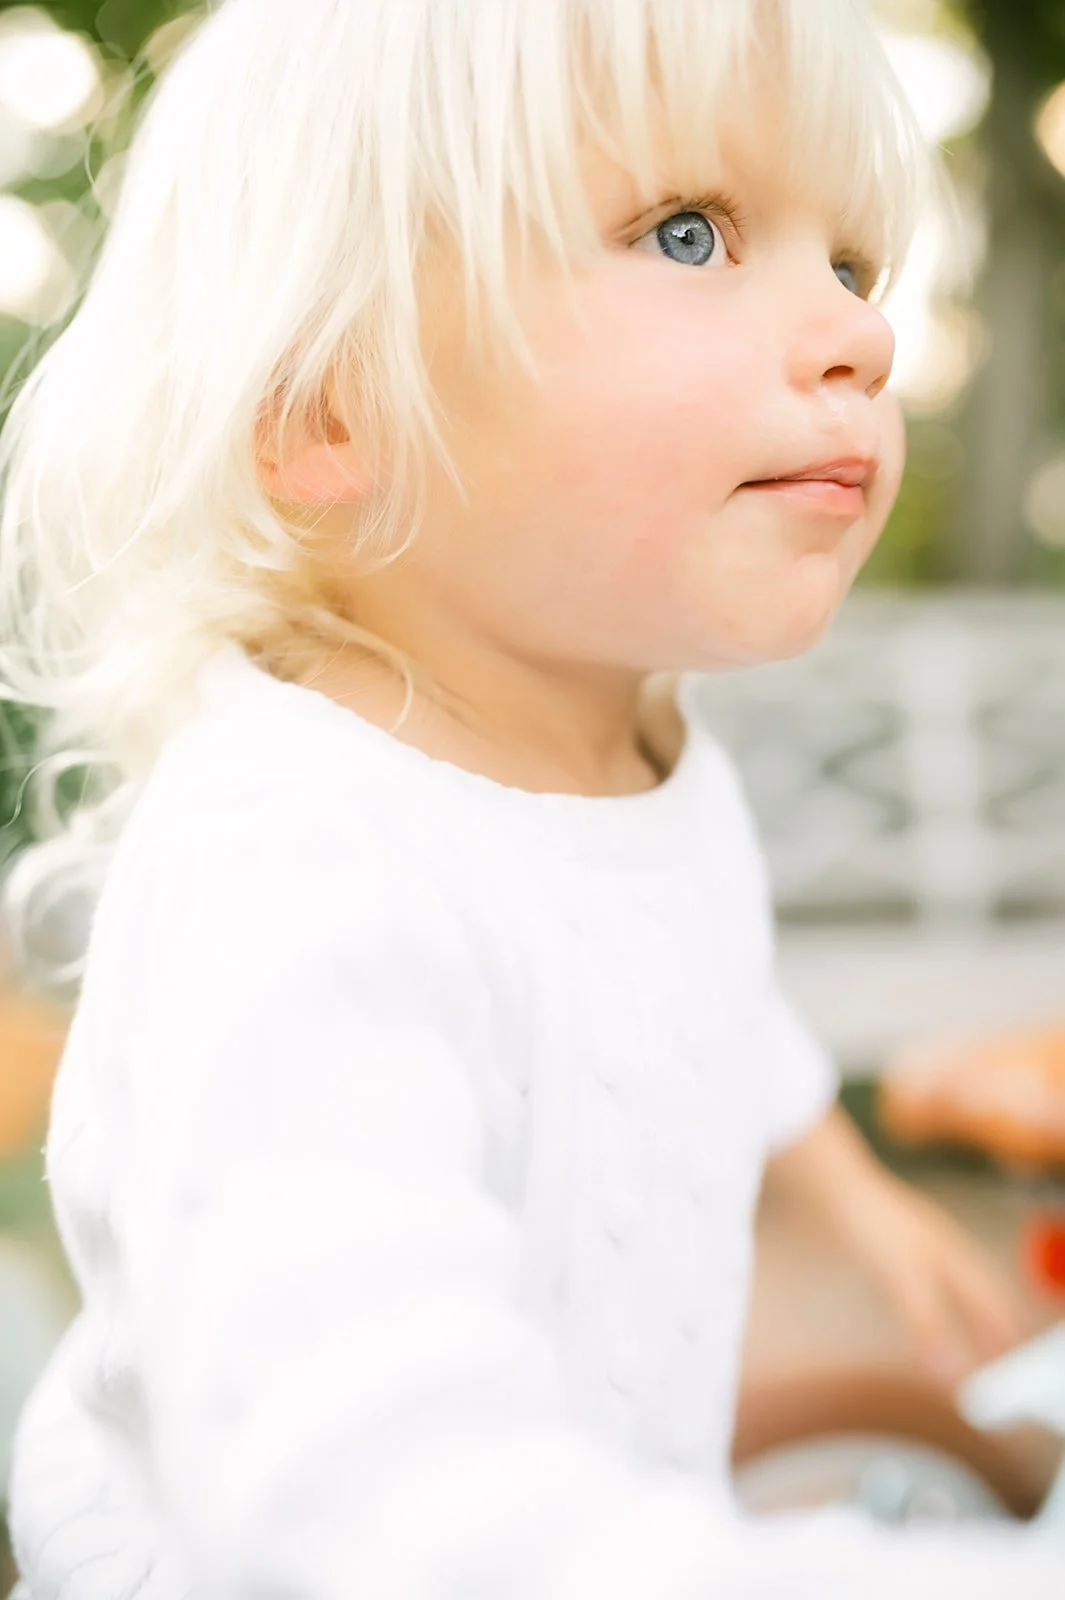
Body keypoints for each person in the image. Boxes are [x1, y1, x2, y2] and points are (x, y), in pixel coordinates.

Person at [0, 1, 1059, 1595]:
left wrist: (840, 1189)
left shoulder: (629, 748)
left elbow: (687, 976)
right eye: (691, 233)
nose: (865, 335)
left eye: (851, 265)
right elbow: (371, 1504)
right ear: (328, 408)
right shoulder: (294, 871)